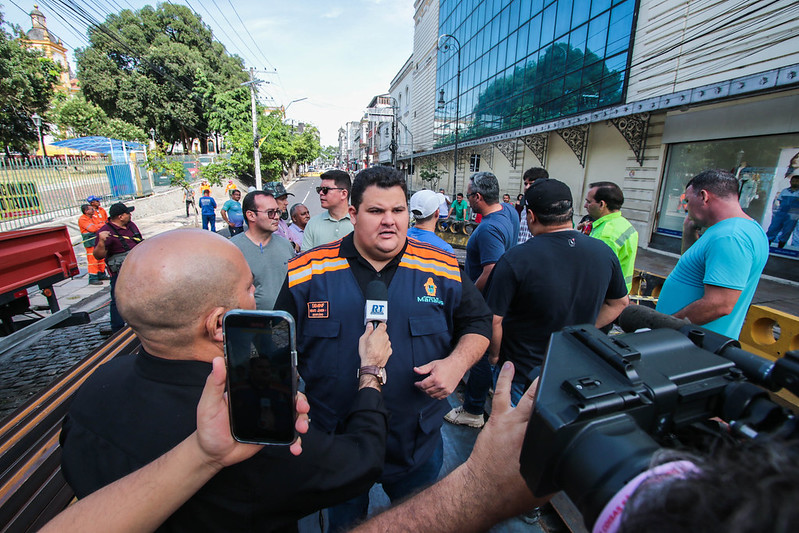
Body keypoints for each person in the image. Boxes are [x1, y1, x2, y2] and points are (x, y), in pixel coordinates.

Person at [59, 229, 394, 532]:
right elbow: (362, 461)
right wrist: (371, 371)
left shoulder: (99, 384)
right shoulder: (252, 427)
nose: (256, 293)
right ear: (220, 324)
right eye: (249, 287)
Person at [275, 166, 491, 531]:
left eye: (398, 210)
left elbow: (479, 323)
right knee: (346, 524)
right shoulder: (306, 272)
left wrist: (457, 364)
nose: (389, 221)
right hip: (335, 443)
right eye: (376, 211)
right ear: (353, 213)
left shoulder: (442, 268)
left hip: (416, 444)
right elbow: (277, 347)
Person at [486, 179, 629, 404]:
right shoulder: (604, 252)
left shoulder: (515, 259)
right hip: (573, 370)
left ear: (531, 215)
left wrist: (494, 356)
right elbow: (619, 302)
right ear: (569, 212)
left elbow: (494, 319)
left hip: (522, 373)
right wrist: (579, 330)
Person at [656, 169, 769, 339]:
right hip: (686, 339)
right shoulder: (741, 229)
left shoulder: (730, 237)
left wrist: (665, 329)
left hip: (689, 342)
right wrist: (689, 230)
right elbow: (697, 267)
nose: (686, 207)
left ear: (703, 196)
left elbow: (718, 305)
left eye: (688, 201)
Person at [446, 171, 519, 428]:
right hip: (502, 299)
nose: (467, 200)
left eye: (469, 196)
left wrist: (469, 297)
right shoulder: (509, 212)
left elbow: (491, 269)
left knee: (481, 355)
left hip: (486, 302)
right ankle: (488, 387)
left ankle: (473, 410)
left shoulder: (488, 229)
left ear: (478, 197)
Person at [230, 191, 294, 311]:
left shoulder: (285, 245)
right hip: (251, 320)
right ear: (251, 215)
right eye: (270, 212)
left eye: (277, 211)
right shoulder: (232, 249)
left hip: (286, 319)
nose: (276, 217)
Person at [93, 202, 143, 333]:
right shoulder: (105, 232)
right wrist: (101, 241)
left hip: (138, 268)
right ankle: (117, 328)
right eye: (128, 213)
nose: (130, 215)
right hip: (120, 273)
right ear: (120, 216)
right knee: (118, 298)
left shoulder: (131, 226)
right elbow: (98, 256)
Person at [584, 181, 639, 292]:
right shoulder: (624, 224)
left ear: (602, 204)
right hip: (620, 293)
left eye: (589, 202)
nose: (585, 205)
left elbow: (597, 276)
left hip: (607, 295)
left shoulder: (606, 235)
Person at [302, 169, 353, 251]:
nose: (321, 193)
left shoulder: (361, 222)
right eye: (319, 189)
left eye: (325, 190)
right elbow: (305, 257)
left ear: (343, 194)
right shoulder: (312, 224)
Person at [765, 172, 799, 249]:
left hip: (793, 215)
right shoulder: (784, 191)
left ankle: (780, 247)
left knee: (787, 230)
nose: (795, 183)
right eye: (793, 181)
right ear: (790, 181)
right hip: (781, 213)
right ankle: (767, 245)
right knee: (773, 228)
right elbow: (779, 201)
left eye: (797, 181)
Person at [517, 167, 549, 244]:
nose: (527, 187)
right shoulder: (525, 208)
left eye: (531, 184)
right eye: (525, 184)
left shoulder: (547, 211)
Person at [263, 181, 297, 251]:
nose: (286, 203)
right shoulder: (266, 224)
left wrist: (292, 244)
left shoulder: (281, 222)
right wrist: (291, 244)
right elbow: (279, 248)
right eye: (282, 199)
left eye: (286, 199)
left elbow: (297, 241)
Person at [77, 204, 104, 286]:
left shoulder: (94, 218)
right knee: (93, 260)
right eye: (91, 209)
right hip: (90, 242)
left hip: (97, 240)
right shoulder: (82, 219)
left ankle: (101, 273)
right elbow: (92, 229)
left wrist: (97, 226)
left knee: (101, 258)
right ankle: (93, 278)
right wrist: (98, 227)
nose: (93, 210)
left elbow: (103, 225)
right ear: (86, 211)